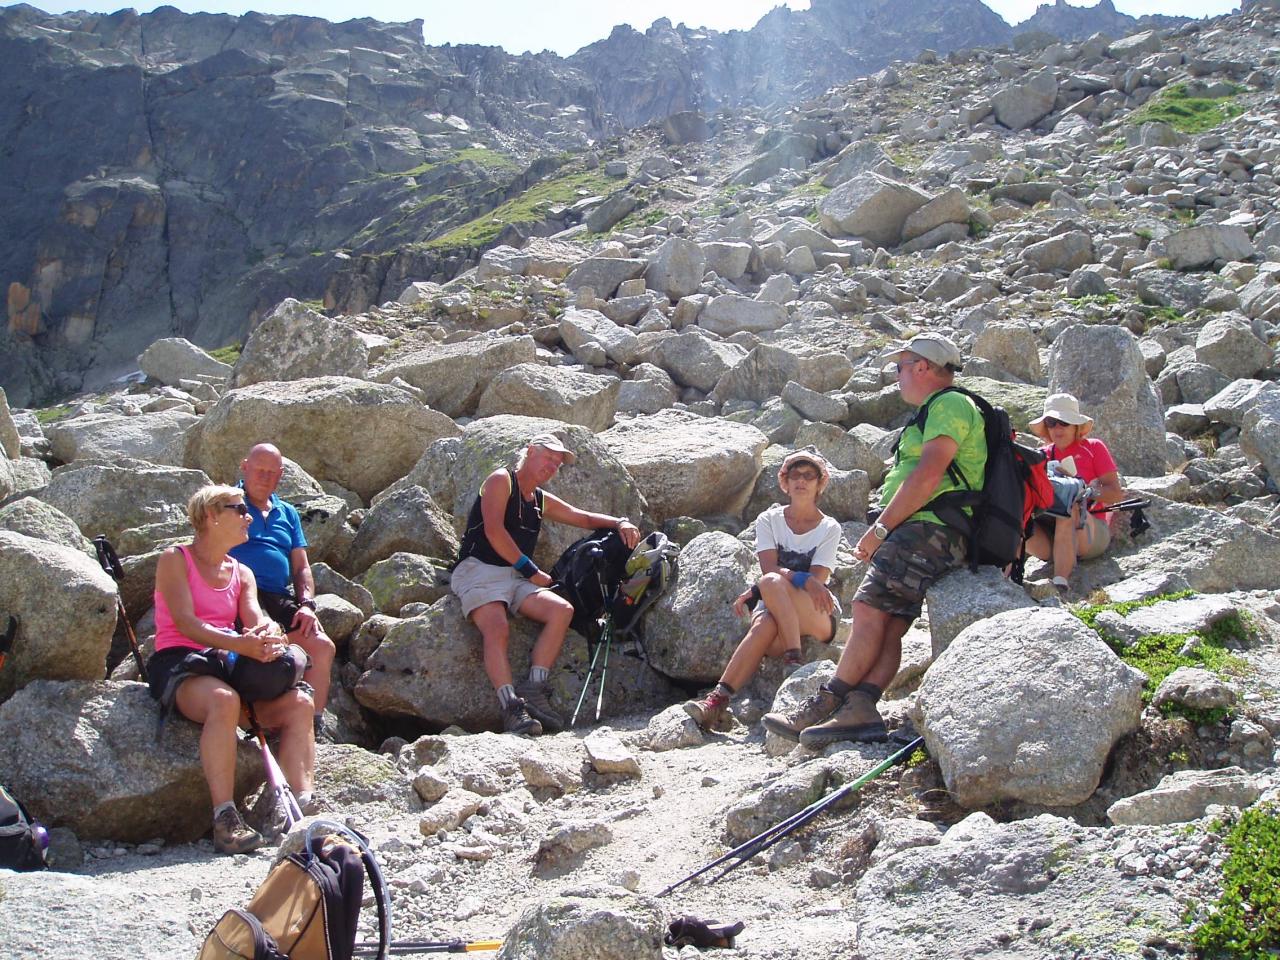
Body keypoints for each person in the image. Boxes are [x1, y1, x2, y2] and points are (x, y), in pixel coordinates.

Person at [762, 333, 986, 748]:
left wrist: (881, 527)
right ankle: (862, 707)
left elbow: (929, 474)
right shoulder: (938, 409)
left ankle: (826, 703)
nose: (897, 376)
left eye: (900, 367)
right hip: (930, 529)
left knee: (866, 609)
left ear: (922, 367)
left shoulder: (950, 404)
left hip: (927, 528)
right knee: (889, 623)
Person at [146, 485, 316, 855]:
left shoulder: (242, 572)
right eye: (240, 510)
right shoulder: (175, 559)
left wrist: (268, 633)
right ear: (211, 515)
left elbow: (255, 616)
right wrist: (240, 644)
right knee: (224, 700)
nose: (248, 517)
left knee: (300, 703)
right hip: (181, 662)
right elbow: (186, 623)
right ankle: (225, 819)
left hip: (226, 662)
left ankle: (298, 808)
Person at [452, 433, 641, 736]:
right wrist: (531, 570)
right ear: (529, 451)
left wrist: (620, 522)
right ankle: (511, 708)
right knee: (497, 627)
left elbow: (583, 518)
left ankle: (535, 689)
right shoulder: (502, 480)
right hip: (479, 569)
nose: (553, 466)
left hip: (515, 577)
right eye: (548, 458)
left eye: (557, 463)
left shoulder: (538, 498)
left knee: (561, 611)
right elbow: (493, 531)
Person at [683, 449, 843, 729]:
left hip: (815, 611)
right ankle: (717, 701)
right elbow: (770, 569)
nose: (801, 481)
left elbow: (815, 582)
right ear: (785, 481)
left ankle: (792, 657)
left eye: (809, 476)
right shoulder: (769, 520)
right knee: (765, 620)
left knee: (769, 585)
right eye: (795, 475)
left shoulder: (829, 527)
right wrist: (798, 578)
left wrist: (767, 587)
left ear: (820, 483)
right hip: (776, 609)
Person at [229, 443, 336, 736]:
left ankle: (312, 724)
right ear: (245, 467)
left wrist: (307, 604)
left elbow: (301, 567)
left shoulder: (287, 512)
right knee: (263, 639)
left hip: (277, 595)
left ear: (281, 475)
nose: (264, 477)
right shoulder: (228, 503)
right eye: (258, 470)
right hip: (237, 591)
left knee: (322, 646)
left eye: (271, 472)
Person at [1025, 393, 1124, 593]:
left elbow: (1115, 494)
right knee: (1020, 513)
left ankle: (1060, 582)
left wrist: (1085, 492)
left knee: (1069, 507)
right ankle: (1008, 575)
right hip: (1050, 535)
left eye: (1064, 422)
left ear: (1076, 426)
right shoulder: (1042, 455)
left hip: (1090, 532)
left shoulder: (1094, 448)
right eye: (1052, 423)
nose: (1057, 429)